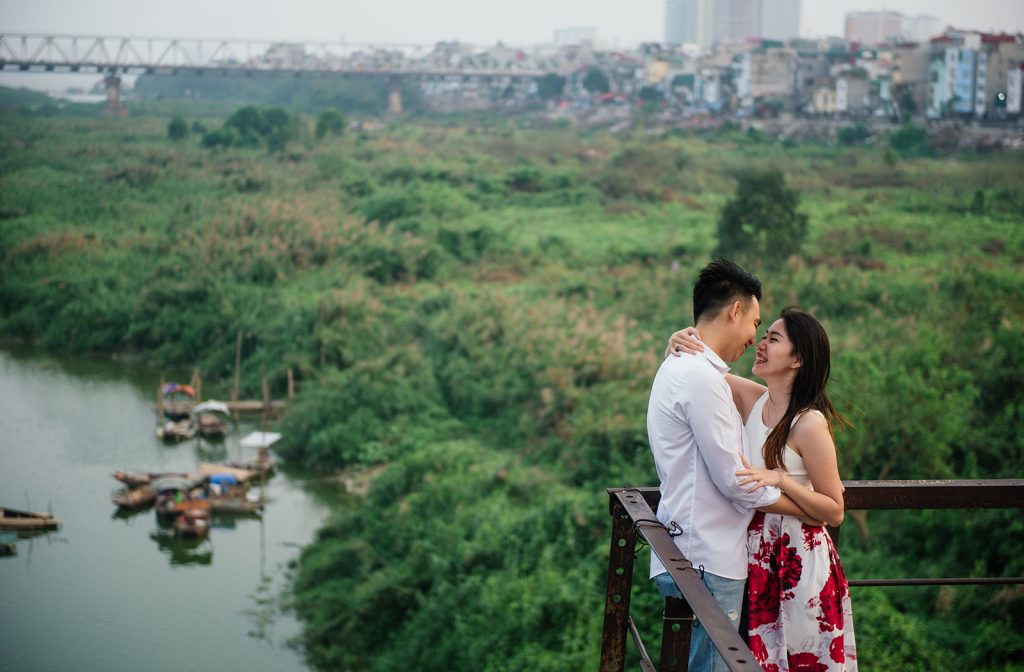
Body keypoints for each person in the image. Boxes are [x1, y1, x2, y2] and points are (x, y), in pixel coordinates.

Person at [668, 306, 858, 671]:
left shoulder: (809, 424)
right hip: (755, 557)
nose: (760, 344)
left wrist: (781, 479)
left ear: (798, 359)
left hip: (801, 564)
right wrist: (678, 340)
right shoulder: (754, 400)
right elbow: (697, 373)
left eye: (774, 339)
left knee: (802, 662)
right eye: (763, 334)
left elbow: (835, 510)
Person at [648, 259, 815, 672]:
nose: (754, 339)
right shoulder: (702, 377)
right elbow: (736, 482)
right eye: (756, 324)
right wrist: (810, 506)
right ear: (734, 310)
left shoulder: (686, 368)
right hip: (708, 557)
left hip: (698, 549)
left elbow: (773, 408)